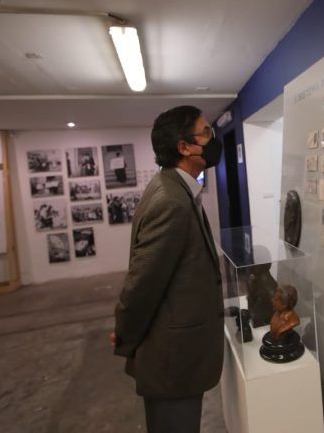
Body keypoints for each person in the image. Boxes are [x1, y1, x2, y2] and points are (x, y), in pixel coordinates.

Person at [110, 105, 224, 433]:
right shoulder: (171, 202)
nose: (213, 139)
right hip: (173, 360)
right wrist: (125, 334)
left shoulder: (176, 189)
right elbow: (142, 283)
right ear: (184, 147)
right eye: (206, 133)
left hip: (178, 355)